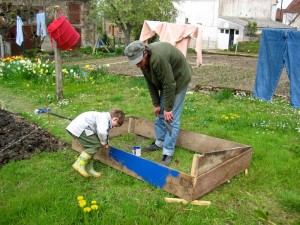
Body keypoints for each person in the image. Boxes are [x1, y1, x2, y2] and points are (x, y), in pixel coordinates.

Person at [124, 41, 192, 167]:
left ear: (145, 53)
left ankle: (167, 152)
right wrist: (156, 104)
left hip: (178, 80)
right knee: (159, 114)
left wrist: (168, 108)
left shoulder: (158, 59)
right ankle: (159, 142)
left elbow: (170, 84)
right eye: (135, 63)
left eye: (139, 62)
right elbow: (150, 83)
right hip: (168, 82)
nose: (138, 65)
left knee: (170, 118)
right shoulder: (144, 63)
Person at [66, 109, 125, 177]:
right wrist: (104, 143)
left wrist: (106, 142)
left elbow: (102, 132)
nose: (113, 127)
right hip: (81, 128)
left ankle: (89, 169)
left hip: (78, 127)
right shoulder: (104, 118)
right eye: (115, 125)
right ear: (115, 119)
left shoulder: (102, 117)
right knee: (95, 145)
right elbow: (102, 132)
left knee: (90, 148)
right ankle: (79, 164)